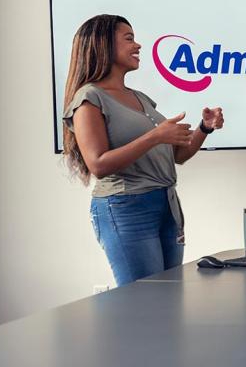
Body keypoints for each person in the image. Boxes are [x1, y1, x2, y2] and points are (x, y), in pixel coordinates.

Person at [62, 14, 224, 286]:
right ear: (103, 45)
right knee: (143, 304)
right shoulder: (89, 98)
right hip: (126, 207)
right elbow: (98, 164)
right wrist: (155, 136)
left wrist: (204, 128)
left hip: (165, 205)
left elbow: (177, 156)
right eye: (129, 39)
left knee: (168, 298)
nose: (137, 46)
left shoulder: (139, 97)